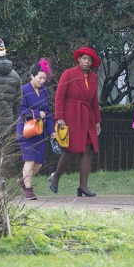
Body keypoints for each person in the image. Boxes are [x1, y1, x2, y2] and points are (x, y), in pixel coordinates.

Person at [51, 46, 102, 197]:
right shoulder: (69, 74)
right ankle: (56, 176)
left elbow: (94, 101)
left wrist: (97, 121)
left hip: (88, 117)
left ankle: (83, 186)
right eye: (84, 59)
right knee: (71, 149)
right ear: (79, 59)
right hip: (71, 115)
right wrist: (59, 117)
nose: (87, 62)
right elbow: (59, 96)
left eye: (90, 60)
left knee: (87, 150)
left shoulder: (93, 78)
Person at [16, 60, 55, 200]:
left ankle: (22, 181)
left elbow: (48, 112)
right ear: (32, 76)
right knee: (30, 159)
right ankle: (28, 189)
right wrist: (38, 114)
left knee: (38, 163)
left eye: (44, 78)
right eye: (40, 78)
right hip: (26, 130)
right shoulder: (23, 90)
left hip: (40, 131)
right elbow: (20, 110)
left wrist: (52, 130)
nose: (42, 81)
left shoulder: (44, 91)